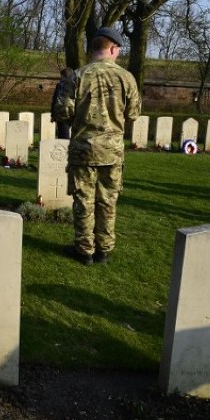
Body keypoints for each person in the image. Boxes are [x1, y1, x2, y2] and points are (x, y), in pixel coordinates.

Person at [64, 27, 141, 265]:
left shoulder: (77, 76)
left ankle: (85, 250)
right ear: (114, 49)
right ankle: (104, 250)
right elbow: (134, 113)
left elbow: (63, 111)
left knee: (83, 200)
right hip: (112, 150)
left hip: (84, 149)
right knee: (108, 201)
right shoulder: (126, 78)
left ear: (94, 48)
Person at [51, 68, 77, 139]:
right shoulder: (77, 85)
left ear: (62, 76)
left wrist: (53, 115)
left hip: (62, 114)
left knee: (63, 137)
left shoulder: (60, 85)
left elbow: (55, 100)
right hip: (75, 113)